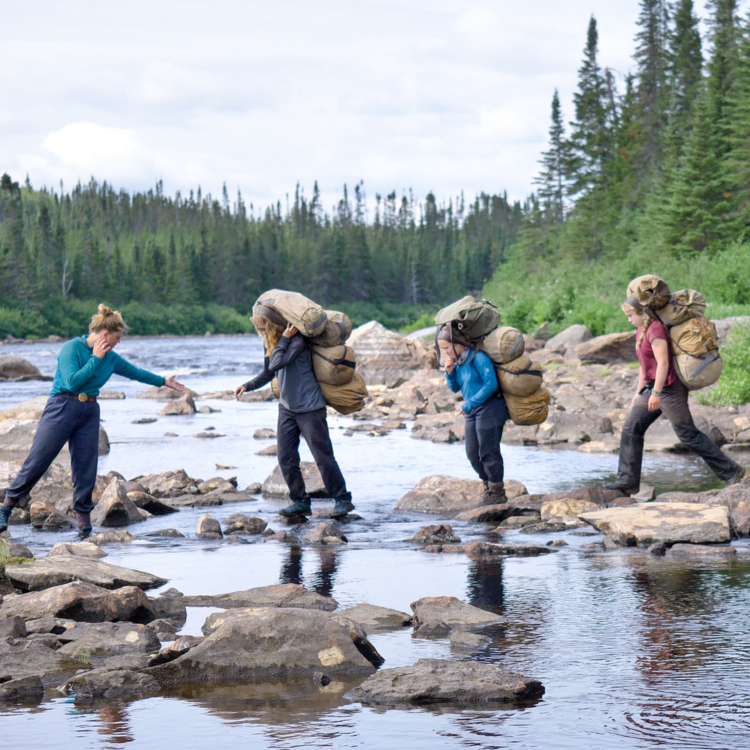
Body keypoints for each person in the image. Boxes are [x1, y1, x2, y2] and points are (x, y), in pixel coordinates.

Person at [0, 305, 187, 538]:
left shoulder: (111, 358)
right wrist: (95, 359)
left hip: (89, 411)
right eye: (117, 338)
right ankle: (6, 508)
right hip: (61, 407)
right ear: (105, 335)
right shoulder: (72, 349)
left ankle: (84, 525)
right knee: (38, 460)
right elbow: (72, 382)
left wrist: (162, 381)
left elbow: (135, 372)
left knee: (86, 468)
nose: (119, 342)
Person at [605, 296, 745, 495]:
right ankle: (628, 481)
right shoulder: (640, 332)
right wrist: (639, 392)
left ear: (641, 313)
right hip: (652, 388)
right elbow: (644, 366)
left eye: (630, 315)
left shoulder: (656, 330)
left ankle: (732, 471)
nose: (628, 319)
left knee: (688, 435)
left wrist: (656, 393)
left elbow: (663, 364)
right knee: (630, 428)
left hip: (669, 389)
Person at [235, 305, 353, 519]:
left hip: (310, 407)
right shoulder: (273, 344)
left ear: (272, 326)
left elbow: (278, 362)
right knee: (286, 457)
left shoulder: (298, 342)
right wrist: (248, 385)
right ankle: (300, 502)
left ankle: (342, 499)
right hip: (287, 408)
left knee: (322, 457)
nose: (262, 333)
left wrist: (285, 339)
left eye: (263, 329)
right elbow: (267, 371)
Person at [438, 324, 509, 505]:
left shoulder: (478, 358)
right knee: (472, 454)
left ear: (458, 343)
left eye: (446, 348)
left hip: (491, 408)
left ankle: (497, 493)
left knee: (488, 452)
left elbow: (491, 385)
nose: (445, 352)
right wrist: (449, 373)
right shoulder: (460, 362)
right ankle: (488, 488)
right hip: (473, 410)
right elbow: (455, 388)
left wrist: (470, 403)